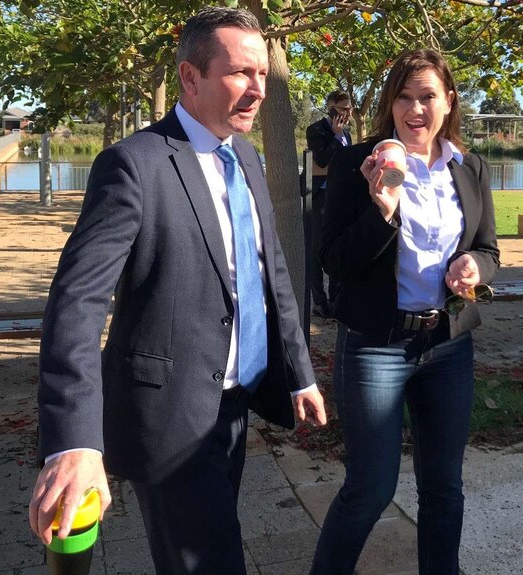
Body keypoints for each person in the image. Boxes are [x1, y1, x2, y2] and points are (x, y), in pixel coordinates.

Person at [28, 7, 327, 574]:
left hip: (235, 407)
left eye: (263, 74)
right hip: (168, 417)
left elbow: (269, 273)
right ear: (190, 78)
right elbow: (77, 302)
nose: (258, 89)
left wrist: (300, 370)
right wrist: (72, 441)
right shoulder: (132, 165)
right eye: (240, 73)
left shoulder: (247, 156)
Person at [310, 49, 500, 575]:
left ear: (449, 102)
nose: (415, 109)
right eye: (404, 97)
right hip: (375, 346)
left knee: (444, 486)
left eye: (427, 97)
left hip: (448, 344)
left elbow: (490, 250)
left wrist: (474, 269)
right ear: (390, 103)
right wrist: (382, 211)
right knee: (370, 489)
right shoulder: (359, 163)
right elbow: (333, 262)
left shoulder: (469, 166)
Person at [305, 90, 352, 318]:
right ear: (331, 107)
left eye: (350, 109)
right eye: (343, 109)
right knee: (316, 250)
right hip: (319, 198)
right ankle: (319, 301)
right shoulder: (316, 130)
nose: (348, 113)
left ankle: (335, 298)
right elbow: (321, 159)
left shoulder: (348, 134)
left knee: (337, 247)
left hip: (340, 197)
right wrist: (334, 135)